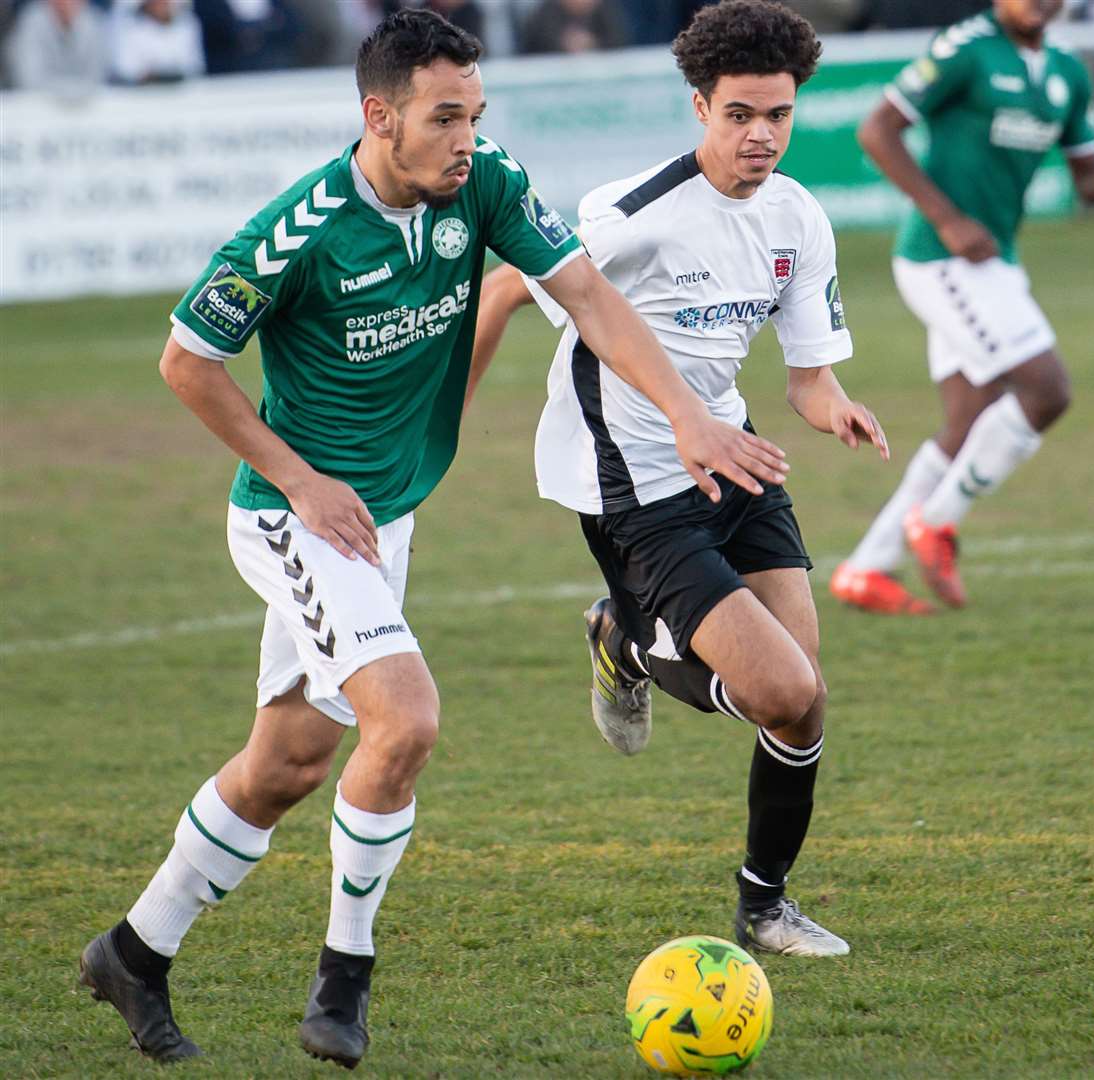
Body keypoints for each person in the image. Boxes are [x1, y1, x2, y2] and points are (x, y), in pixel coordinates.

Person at [75, 8, 782, 1069]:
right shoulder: (298, 230)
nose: (467, 138)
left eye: (476, 115)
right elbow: (186, 363)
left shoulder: (483, 179)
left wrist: (688, 414)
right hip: (297, 520)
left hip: (382, 518)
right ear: (380, 116)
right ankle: (342, 984)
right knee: (403, 723)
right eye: (444, 118)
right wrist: (302, 480)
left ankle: (133, 951)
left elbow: (584, 292)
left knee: (289, 762)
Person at [470, 0, 884, 958]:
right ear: (699, 105)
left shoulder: (795, 217)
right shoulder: (632, 213)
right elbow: (503, 287)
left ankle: (763, 906)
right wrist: (446, 421)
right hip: (633, 488)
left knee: (804, 694)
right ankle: (622, 633)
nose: (760, 136)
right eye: (739, 114)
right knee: (782, 692)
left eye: (777, 115)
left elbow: (808, 379)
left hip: (735, 459)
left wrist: (839, 410)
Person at [830, 0, 1094, 614]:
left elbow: (1088, 179)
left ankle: (865, 569)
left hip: (994, 264)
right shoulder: (967, 48)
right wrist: (949, 219)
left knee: (968, 423)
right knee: (1047, 389)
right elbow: (877, 130)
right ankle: (936, 521)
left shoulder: (1067, 72)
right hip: (941, 257)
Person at [6, 0, 109, 95]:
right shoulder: (30, 22)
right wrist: (71, 91)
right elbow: (29, 80)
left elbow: (97, 77)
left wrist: (71, 93)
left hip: (85, 106)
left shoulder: (92, 22)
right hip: (37, 104)